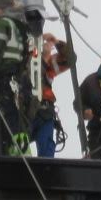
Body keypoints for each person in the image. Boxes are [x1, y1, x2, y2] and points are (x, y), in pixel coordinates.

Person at [0, 0, 34, 156]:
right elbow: (27, 53)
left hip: (5, 76)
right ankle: (23, 149)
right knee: (17, 114)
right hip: (19, 77)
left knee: (7, 113)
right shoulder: (20, 28)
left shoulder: (1, 24)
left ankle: (14, 150)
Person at [26, 12, 73, 159]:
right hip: (25, 110)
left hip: (45, 110)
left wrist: (57, 42)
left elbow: (70, 59)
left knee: (46, 149)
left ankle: (46, 173)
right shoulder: (24, 59)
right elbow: (31, 74)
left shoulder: (50, 63)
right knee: (19, 146)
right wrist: (43, 55)